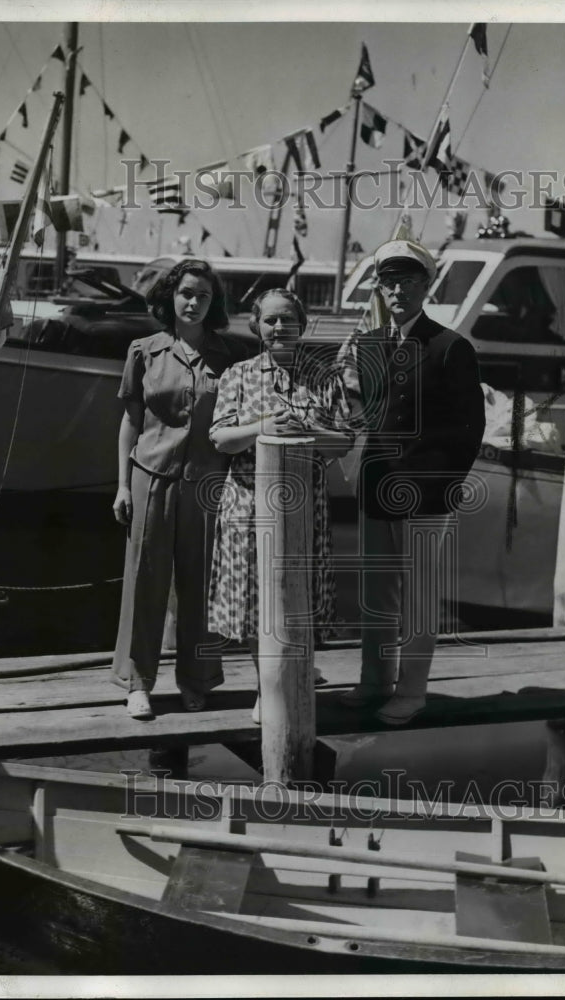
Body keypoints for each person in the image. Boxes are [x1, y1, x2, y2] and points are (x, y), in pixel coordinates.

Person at [337, 239, 485, 724]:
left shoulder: (451, 346)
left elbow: (470, 430)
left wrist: (440, 487)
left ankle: (412, 690)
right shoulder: (367, 345)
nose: (397, 290)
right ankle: (374, 680)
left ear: (427, 285)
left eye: (407, 280)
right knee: (377, 592)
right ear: (380, 288)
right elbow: (360, 416)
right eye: (389, 281)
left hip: (427, 495)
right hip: (376, 486)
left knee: (419, 597)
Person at [208, 288, 354, 723]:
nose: (278, 328)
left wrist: (307, 428)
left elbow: (343, 441)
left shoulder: (324, 378)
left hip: (304, 510)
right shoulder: (237, 374)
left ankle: (299, 675)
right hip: (249, 507)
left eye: (287, 319)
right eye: (270, 320)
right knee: (257, 602)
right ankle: (265, 687)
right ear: (256, 326)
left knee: (299, 596)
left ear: (301, 324)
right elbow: (220, 438)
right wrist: (265, 426)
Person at [112, 259, 239, 720]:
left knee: (200, 586)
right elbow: (130, 423)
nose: (193, 302)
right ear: (171, 297)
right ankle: (137, 682)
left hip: (209, 488)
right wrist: (123, 487)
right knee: (145, 582)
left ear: (213, 303)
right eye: (186, 292)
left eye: (203, 295)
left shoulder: (229, 357)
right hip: (151, 479)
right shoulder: (143, 351)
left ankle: (196, 680)